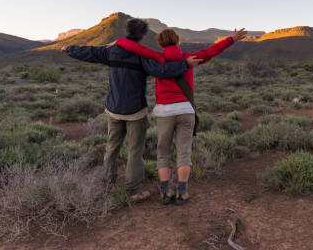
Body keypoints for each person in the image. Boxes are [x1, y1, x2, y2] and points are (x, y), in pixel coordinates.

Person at [61, 19, 202, 203]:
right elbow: (162, 70)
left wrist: (67, 49)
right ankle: (132, 191)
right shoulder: (141, 57)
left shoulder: (111, 51)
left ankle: (108, 185)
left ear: (126, 31)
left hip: (113, 108)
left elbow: (89, 52)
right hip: (135, 110)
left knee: (112, 148)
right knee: (135, 151)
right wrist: (185, 65)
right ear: (142, 35)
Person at [115, 27, 247, 205]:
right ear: (178, 41)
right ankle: (182, 192)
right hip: (185, 110)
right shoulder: (189, 58)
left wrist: (118, 42)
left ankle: (165, 192)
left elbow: (136, 48)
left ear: (161, 43)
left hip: (164, 112)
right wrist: (232, 39)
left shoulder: (157, 57)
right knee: (184, 152)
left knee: (163, 153)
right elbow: (212, 51)